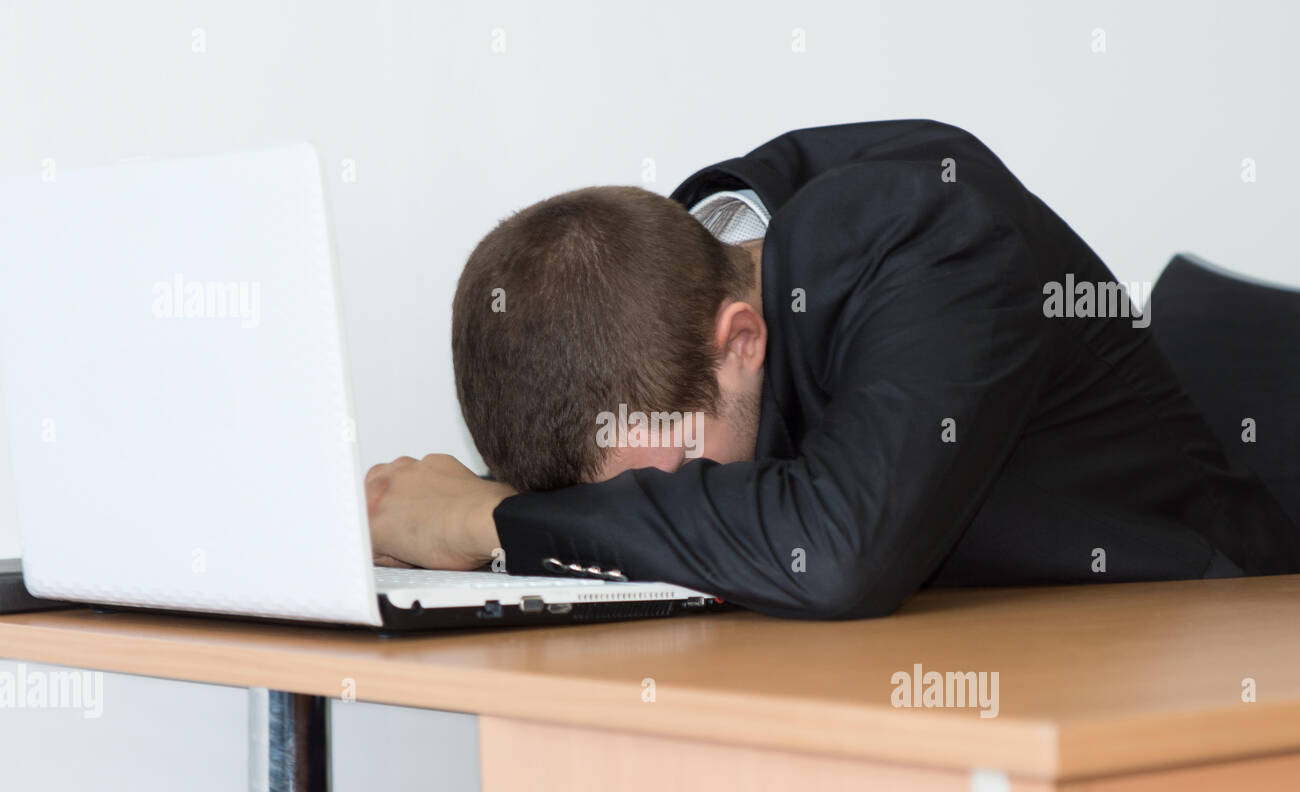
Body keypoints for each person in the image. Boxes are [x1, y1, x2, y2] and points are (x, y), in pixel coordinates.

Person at [365, 120, 1300, 619]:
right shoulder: (679, 278)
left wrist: (489, 519)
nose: (630, 511)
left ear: (740, 342)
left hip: (1197, 639)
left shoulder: (937, 233)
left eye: (672, 481)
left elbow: (838, 555)